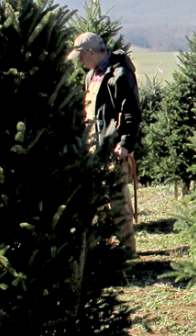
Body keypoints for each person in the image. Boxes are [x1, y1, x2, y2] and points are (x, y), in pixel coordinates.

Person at [68, 32, 141, 253]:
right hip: (94, 146)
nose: (80, 61)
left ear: (90, 52)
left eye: (81, 56)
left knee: (117, 199)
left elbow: (130, 112)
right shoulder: (92, 75)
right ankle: (107, 246)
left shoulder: (119, 74)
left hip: (113, 147)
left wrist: (125, 143)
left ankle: (128, 251)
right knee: (100, 200)